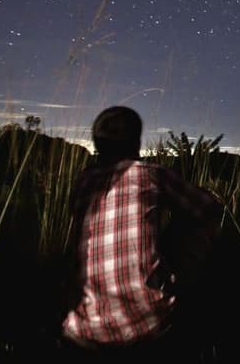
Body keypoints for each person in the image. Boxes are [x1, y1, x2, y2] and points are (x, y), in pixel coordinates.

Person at [60, 106, 223, 361]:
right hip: (146, 326)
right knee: (198, 223)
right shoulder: (150, 174)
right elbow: (210, 208)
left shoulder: (83, 182)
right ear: (136, 142)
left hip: (81, 329)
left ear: (96, 144)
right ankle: (197, 301)